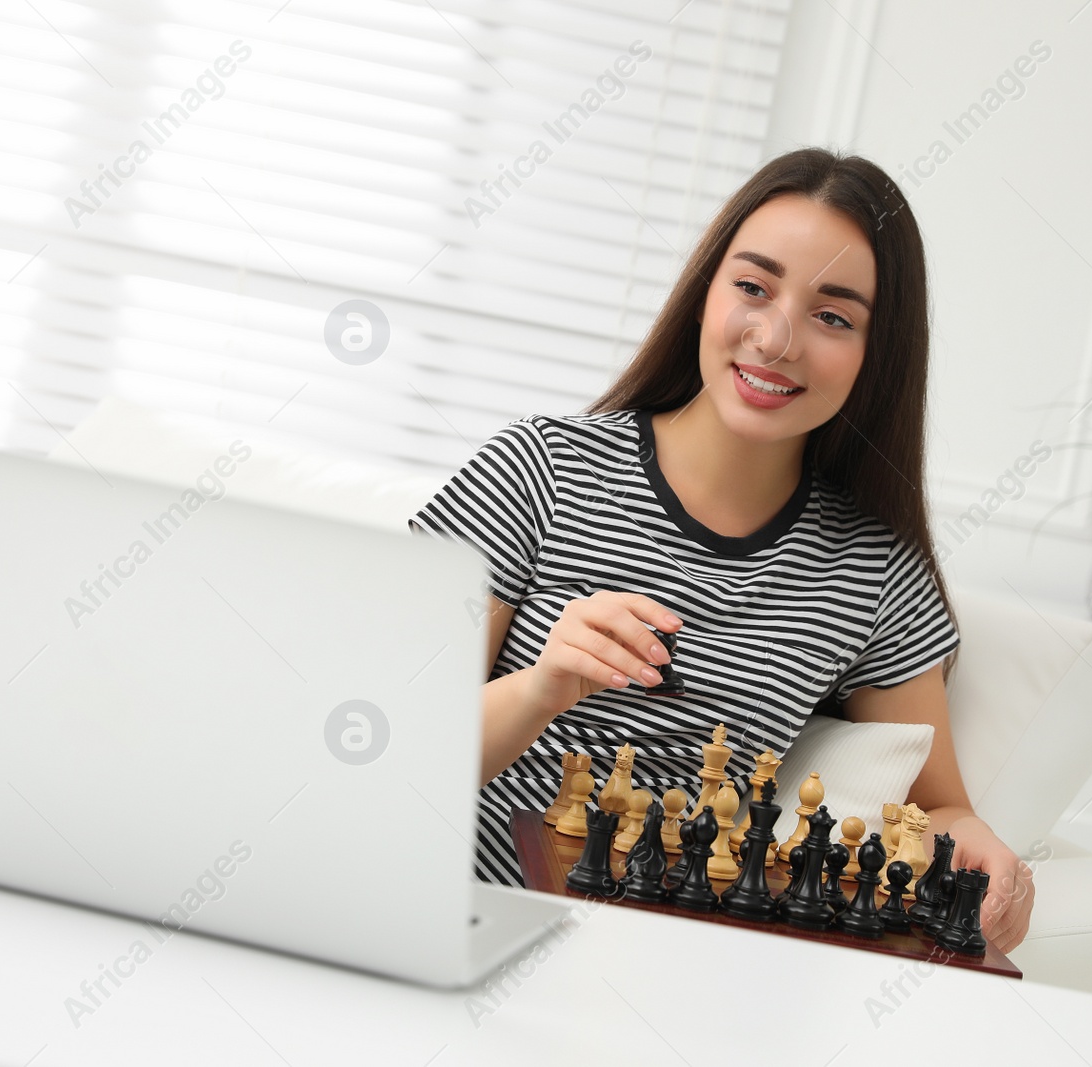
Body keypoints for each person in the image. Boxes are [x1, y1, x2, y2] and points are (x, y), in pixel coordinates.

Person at [407, 147, 1035, 952]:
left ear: (877, 356)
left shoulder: (874, 571)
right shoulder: (539, 472)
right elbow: (381, 743)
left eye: (833, 316)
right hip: (444, 916)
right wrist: (542, 687)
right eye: (753, 287)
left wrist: (984, 862)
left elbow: (941, 809)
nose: (775, 340)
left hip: (670, 965)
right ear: (706, 290)